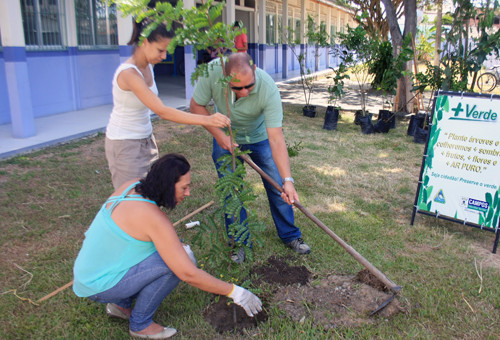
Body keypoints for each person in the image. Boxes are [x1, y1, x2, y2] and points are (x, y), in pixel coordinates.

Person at [73, 153, 262, 339]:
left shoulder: (131, 186)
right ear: (167, 186)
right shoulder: (153, 217)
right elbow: (188, 274)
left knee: (177, 252)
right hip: (99, 286)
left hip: (89, 275)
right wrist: (235, 291)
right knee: (178, 263)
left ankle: (121, 305)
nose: (188, 193)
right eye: (184, 188)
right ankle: (140, 325)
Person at [189, 52, 311, 263]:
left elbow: (276, 138)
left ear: (255, 72)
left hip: (259, 137)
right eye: (237, 88)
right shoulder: (211, 73)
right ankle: (240, 242)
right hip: (226, 136)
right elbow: (196, 106)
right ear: (225, 78)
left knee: (277, 186)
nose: (244, 92)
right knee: (231, 191)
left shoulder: (268, 87)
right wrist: (220, 136)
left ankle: (290, 235)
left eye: (249, 86)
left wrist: (288, 181)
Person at [105, 8, 231, 190]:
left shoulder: (148, 66)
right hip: (125, 143)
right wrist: (207, 119)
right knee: (131, 201)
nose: (164, 56)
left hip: (146, 139)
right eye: (161, 50)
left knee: (150, 193)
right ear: (145, 42)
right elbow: (162, 111)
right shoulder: (129, 74)